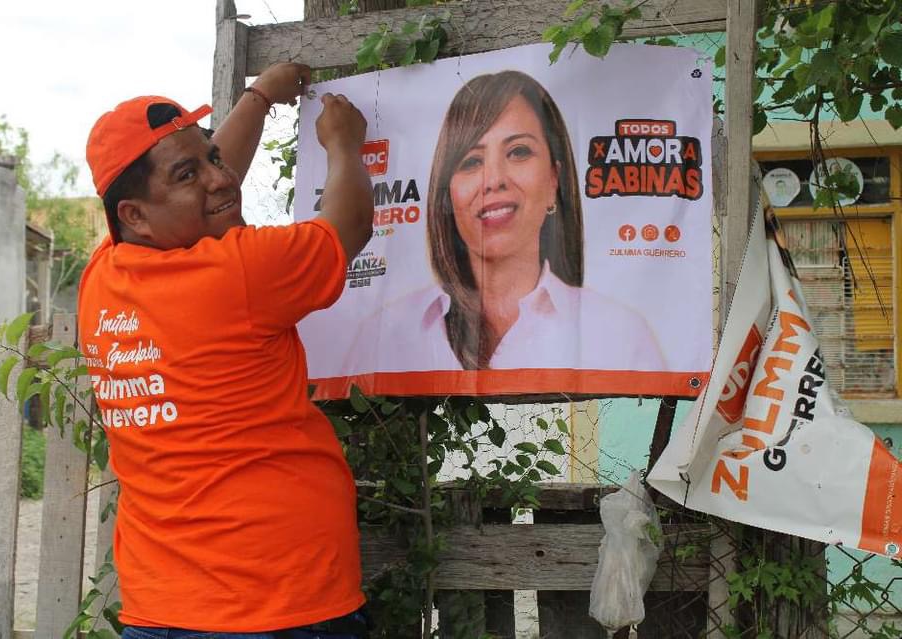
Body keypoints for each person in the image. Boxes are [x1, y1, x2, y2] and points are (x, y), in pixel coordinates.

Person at [77, 62, 374, 638]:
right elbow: (349, 225)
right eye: (189, 174)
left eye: (210, 158)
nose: (219, 178)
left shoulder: (103, 276)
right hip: (280, 605)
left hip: (161, 608)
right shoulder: (236, 274)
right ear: (135, 215)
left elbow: (210, 179)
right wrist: (344, 146)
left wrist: (259, 98)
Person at [341, 70, 664, 375]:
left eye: (519, 151)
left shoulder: (620, 334)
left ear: (554, 180)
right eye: (471, 161)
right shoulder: (383, 335)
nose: (493, 180)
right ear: (447, 193)